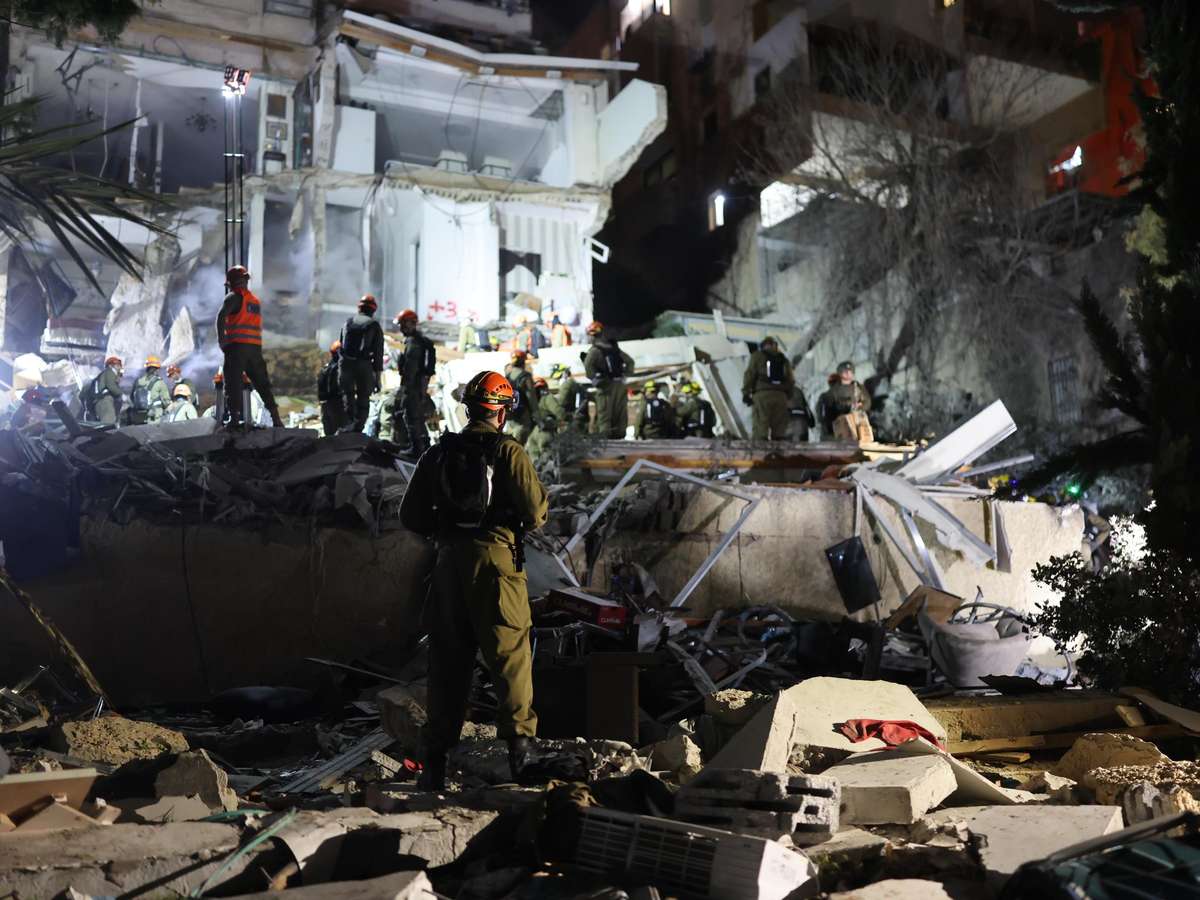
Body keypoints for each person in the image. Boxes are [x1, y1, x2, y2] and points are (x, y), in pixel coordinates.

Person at [399, 371, 548, 789]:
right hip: (497, 564)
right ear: (502, 412)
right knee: (510, 656)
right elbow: (536, 513)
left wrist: (447, 533)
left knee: (447, 663)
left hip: (447, 565)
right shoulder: (508, 451)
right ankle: (521, 753)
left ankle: (434, 765)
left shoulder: (437, 453)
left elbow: (410, 516)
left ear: (469, 409)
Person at [217, 265, 283, 428]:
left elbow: (221, 317)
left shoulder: (232, 298)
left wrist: (222, 341)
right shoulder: (254, 301)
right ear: (246, 280)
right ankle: (276, 419)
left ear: (231, 283)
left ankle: (234, 419)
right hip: (254, 349)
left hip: (236, 348)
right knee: (262, 384)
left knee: (233, 383)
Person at [338, 295, 385, 433]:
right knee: (364, 397)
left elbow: (341, 344)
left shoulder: (348, 322)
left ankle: (349, 424)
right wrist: (377, 378)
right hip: (363, 365)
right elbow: (378, 353)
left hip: (345, 364)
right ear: (373, 310)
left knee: (347, 395)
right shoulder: (373, 325)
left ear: (359, 308)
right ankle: (358, 427)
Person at [395, 309, 436, 458]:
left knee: (410, 416)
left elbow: (410, 368)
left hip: (412, 385)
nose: (400, 327)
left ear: (409, 324)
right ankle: (425, 446)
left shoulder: (413, 342)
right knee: (418, 416)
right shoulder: (421, 341)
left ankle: (416, 448)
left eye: (402, 324)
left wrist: (404, 387)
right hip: (419, 384)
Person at [583, 321, 633, 439]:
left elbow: (588, 367)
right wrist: (625, 375)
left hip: (605, 386)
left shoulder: (594, 351)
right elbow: (630, 362)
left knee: (604, 411)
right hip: (619, 384)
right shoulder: (614, 348)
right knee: (620, 411)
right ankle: (620, 434)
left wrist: (595, 379)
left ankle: (605, 436)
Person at [742, 335, 794, 441]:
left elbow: (750, 374)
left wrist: (746, 392)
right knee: (779, 432)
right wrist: (788, 396)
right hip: (781, 396)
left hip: (762, 396)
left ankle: (760, 450)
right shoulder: (783, 359)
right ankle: (779, 450)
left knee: (760, 431)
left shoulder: (757, 356)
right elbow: (790, 380)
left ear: (763, 346)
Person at [820, 361, 873, 442]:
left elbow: (867, 402)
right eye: (845, 371)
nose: (848, 373)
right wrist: (847, 406)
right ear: (840, 373)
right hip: (842, 425)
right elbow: (829, 410)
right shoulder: (834, 391)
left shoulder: (859, 387)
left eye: (850, 371)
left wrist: (860, 406)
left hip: (859, 422)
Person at [504, 350, 539, 446]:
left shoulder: (507, 377)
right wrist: (538, 417)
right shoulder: (526, 377)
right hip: (523, 416)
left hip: (510, 417)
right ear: (523, 361)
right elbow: (532, 398)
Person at [128, 356, 171, 424]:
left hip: (139, 417)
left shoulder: (138, 381)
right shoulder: (160, 383)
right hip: (154, 417)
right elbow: (166, 402)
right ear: (157, 369)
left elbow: (132, 397)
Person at [318, 340, 345, 437]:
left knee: (329, 434)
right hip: (337, 403)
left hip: (326, 404)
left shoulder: (325, 368)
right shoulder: (341, 368)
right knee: (341, 433)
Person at [87, 356, 124, 425]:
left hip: (100, 402)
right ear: (110, 366)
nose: (119, 367)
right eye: (117, 365)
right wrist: (121, 394)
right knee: (109, 424)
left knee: (109, 423)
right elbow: (111, 386)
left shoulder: (103, 375)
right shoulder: (109, 372)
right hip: (105, 401)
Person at [526, 377, 555, 461]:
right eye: (538, 390)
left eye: (542, 389)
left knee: (545, 454)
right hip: (535, 432)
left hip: (544, 430)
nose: (540, 391)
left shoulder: (547, 399)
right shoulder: (532, 403)